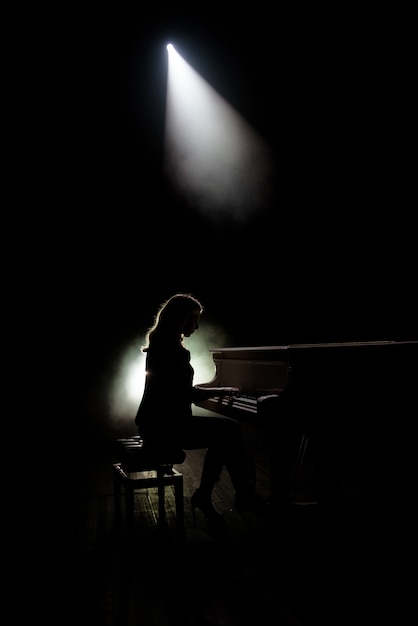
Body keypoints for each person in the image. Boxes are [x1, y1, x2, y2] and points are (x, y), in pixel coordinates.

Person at [135, 292, 268, 530]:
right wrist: (220, 391)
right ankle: (239, 495)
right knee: (228, 430)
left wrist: (214, 391)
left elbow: (178, 389)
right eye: (193, 319)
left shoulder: (162, 345)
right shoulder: (172, 350)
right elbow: (185, 394)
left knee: (223, 434)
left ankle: (209, 495)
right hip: (165, 427)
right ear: (180, 319)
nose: (196, 326)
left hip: (154, 423)